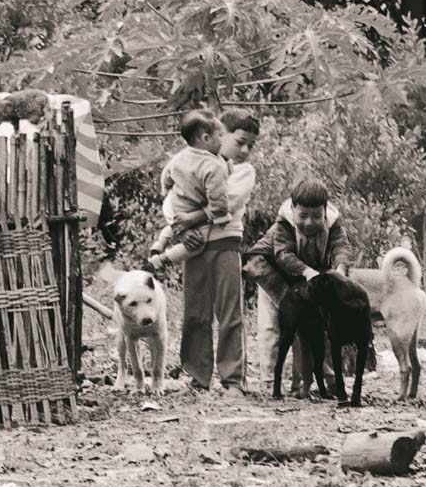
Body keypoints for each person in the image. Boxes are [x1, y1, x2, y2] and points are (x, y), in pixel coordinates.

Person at [171, 109, 260, 396]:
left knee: (229, 312)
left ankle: (233, 379)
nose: (244, 150)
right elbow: (173, 197)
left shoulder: (243, 171)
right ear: (220, 134)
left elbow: (228, 203)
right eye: (240, 142)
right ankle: (198, 377)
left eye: (250, 145)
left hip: (226, 243)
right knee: (196, 312)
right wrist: (179, 226)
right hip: (193, 245)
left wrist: (191, 218)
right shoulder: (190, 162)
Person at [246, 177, 352, 393]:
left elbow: (341, 247)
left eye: (316, 216)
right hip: (271, 272)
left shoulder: (333, 223)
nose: (310, 222)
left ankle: (316, 382)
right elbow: (283, 255)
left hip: (305, 278)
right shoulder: (283, 224)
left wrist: (340, 270)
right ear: (293, 209)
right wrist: (307, 271)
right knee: (272, 328)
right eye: (303, 216)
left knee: (315, 326)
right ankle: (269, 382)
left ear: (325, 211)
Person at [145, 110, 230, 273]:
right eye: (220, 135)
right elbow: (218, 202)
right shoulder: (213, 166)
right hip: (191, 210)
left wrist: (166, 189)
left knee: (173, 226)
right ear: (206, 138)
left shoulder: (180, 156)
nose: (223, 140)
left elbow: (166, 175)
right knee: (197, 244)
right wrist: (220, 215)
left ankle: (159, 244)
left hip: (174, 205)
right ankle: (160, 261)